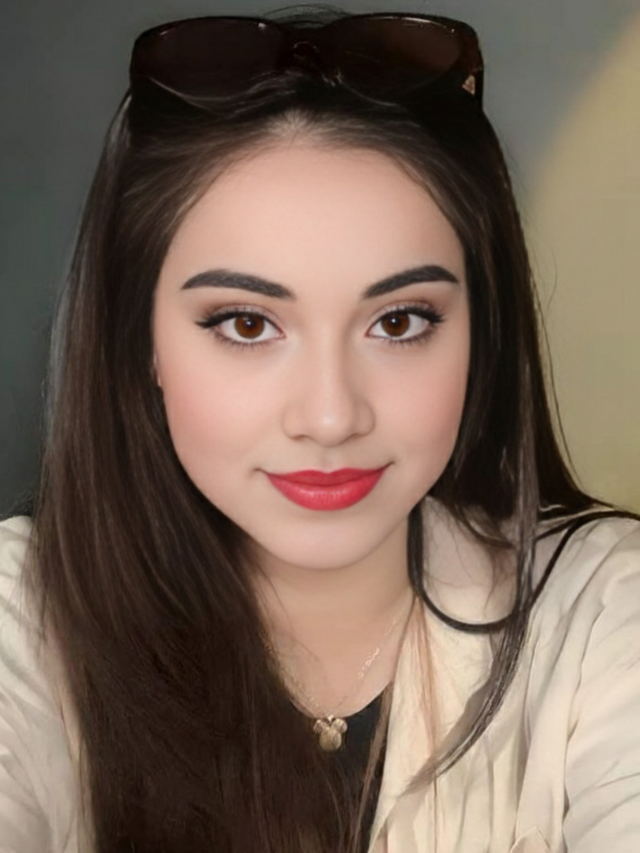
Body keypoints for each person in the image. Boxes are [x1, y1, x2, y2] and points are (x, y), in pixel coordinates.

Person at [0, 7, 639, 853]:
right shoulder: (23, 619)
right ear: (139, 340)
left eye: (400, 321)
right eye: (247, 324)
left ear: (480, 330)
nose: (332, 416)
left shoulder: (602, 614)